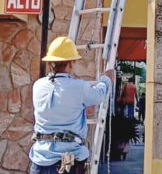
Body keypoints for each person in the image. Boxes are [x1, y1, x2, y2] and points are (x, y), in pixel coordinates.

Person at [28, 37, 114, 174]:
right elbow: (99, 95)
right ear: (71, 63)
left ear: (50, 63)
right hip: (67, 164)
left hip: (39, 162)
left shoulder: (38, 85)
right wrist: (106, 79)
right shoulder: (78, 87)